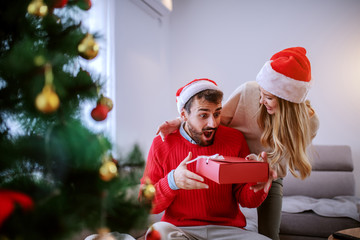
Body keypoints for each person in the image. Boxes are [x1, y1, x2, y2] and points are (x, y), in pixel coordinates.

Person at [156, 47, 320, 240]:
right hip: (232, 166)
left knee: (270, 235)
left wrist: (261, 171)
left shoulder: (310, 123)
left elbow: (279, 166)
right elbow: (214, 119)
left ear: (288, 101)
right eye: (261, 93)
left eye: (268, 97)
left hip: (266, 175)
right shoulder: (249, 91)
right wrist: (182, 122)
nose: (261, 100)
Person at [140, 78, 276, 240]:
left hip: (227, 231)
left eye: (217, 114)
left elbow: (246, 200)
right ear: (184, 115)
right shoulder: (162, 144)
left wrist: (259, 185)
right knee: (158, 233)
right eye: (203, 115)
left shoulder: (234, 139)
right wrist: (172, 181)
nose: (213, 123)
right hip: (180, 230)